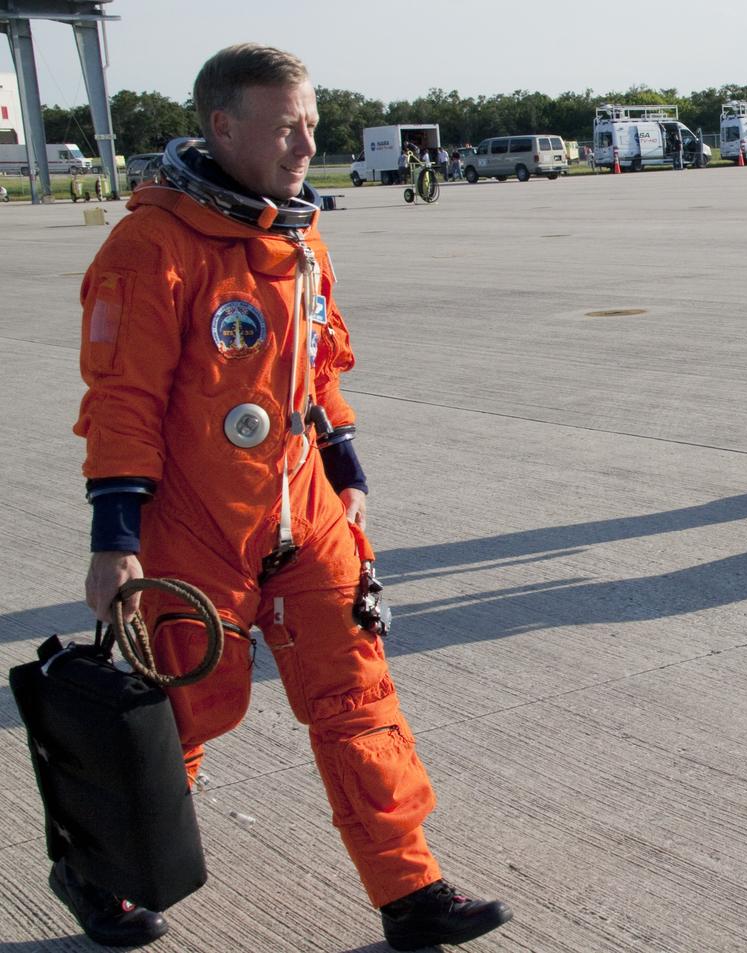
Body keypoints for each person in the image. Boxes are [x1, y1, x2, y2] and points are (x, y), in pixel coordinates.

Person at [68, 43, 512, 950]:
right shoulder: (149, 246)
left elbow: (319, 374)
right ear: (222, 126)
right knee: (183, 709)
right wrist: (115, 539)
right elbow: (122, 400)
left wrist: (347, 480)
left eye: (310, 123)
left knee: (359, 697)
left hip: (303, 512)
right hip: (193, 524)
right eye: (285, 126)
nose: (306, 142)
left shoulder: (299, 238)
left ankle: (410, 888)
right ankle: (101, 873)